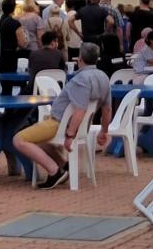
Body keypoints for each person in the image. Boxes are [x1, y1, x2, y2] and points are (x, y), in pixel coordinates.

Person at [13, 41, 112, 189]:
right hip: (79, 126)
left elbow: (80, 109)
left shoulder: (81, 79)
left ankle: (54, 171)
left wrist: (70, 135)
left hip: (60, 124)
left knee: (18, 140)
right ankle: (64, 166)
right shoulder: (104, 77)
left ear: (80, 59)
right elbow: (107, 109)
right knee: (39, 140)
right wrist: (104, 131)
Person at [0, 0, 26, 74]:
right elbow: (22, 43)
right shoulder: (15, 23)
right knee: (10, 78)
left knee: (0, 78)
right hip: (10, 57)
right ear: (14, 8)